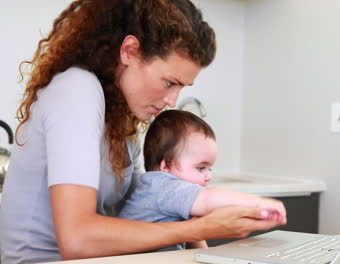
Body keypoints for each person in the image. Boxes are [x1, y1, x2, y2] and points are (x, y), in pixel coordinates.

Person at [0, 0, 285, 263]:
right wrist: (197, 227)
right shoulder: (77, 89)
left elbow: (148, 199)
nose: (172, 101)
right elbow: (78, 239)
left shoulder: (121, 121)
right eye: (170, 82)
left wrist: (196, 212)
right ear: (130, 52)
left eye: (182, 88)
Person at [118, 110, 287, 251]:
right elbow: (209, 197)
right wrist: (259, 203)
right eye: (201, 168)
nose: (208, 176)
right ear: (167, 165)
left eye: (209, 168)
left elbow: (195, 236)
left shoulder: (160, 191)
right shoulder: (164, 187)